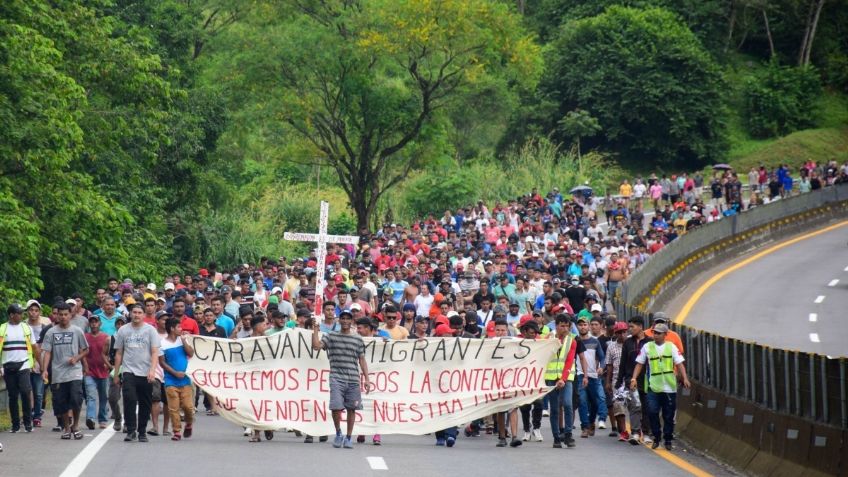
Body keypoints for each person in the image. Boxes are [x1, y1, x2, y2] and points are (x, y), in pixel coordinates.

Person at [311, 309, 374, 449]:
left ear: (351, 321)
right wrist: (315, 329)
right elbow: (316, 346)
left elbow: (362, 359)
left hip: (353, 379)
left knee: (352, 409)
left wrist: (367, 379)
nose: (345, 321)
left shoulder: (357, 338)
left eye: (348, 318)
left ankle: (349, 437)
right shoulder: (331, 336)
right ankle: (338, 433)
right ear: (339, 320)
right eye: (343, 318)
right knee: (336, 407)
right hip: (336, 378)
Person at [631, 323, 691, 450]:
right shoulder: (647, 347)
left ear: (665, 335)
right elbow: (639, 364)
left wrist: (684, 378)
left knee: (668, 415)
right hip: (653, 386)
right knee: (652, 412)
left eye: (659, 333)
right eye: (654, 333)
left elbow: (680, 363)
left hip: (669, 387)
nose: (656, 335)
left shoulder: (672, 347)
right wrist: (634, 378)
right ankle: (657, 437)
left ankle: (668, 439)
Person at [41, 302, 89, 440]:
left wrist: (77, 358)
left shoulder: (77, 331)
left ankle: (76, 426)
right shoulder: (51, 332)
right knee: (61, 402)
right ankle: (67, 428)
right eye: (60, 314)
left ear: (70, 314)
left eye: (66, 314)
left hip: (74, 371)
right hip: (58, 372)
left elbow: (86, 349)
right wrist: (45, 370)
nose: (63, 317)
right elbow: (47, 352)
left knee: (76, 398)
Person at [113, 304, 161, 443]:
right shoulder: (123, 330)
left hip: (146, 373)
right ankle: (131, 430)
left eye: (140, 312)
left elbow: (154, 352)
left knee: (145, 403)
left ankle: (142, 431)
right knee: (129, 400)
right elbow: (119, 353)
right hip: (129, 371)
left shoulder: (150, 330)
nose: (137, 315)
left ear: (144, 315)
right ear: (130, 314)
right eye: (134, 312)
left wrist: (152, 370)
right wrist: (116, 374)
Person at [1, 304, 39, 433]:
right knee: (12, 395)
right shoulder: (2, 329)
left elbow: (34, 347)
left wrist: (39, 363)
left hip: (23, 364)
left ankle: (28, 423)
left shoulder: (26, 328)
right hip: (8, 365)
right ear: (12, 315)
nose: (22, 315)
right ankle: (15, 424)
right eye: (19, 313)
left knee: (25, 392)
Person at [518, 320, 543, 442]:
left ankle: (536, 428)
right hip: (522, 380)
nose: (534, 335)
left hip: (537, 379)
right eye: (532, 333)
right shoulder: (518, 345)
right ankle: (527, 430)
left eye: (535, 333)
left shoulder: (541, 345)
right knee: (524, 407)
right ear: (524, 332)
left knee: (538, 404)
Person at [83, 315, 110, 430]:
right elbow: (82, 352)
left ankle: (102, 419)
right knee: (91, 396)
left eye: (96, 322)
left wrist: (108, 363)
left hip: (103, 371)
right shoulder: (85, 337)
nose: (94, 324)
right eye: (92, 322)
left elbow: (109, 353)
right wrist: (85, 366)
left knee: (104, 396)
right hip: (90, 371)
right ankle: (90, 418)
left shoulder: (106, 337)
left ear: (100, 324)